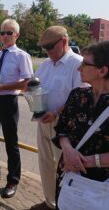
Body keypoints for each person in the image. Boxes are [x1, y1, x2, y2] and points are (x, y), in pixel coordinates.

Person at [30, 26, 86, 210]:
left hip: (65, 127)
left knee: (64, 169)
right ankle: (49, 202)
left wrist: (56, 112)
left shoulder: (78, 64)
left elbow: (81, 98)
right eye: (44, 48)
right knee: (45, 164)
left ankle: (63, 204)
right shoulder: (46, 64)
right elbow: (36, 86)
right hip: (44, 121)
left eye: (50, 47)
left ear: (64, 42)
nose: (47, 51)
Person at [53, 41, 109, 208]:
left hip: (101, 187)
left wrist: (86, 162)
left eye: (84, 64)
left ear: (103, 70)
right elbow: (62, 129)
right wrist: (68, 151)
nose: (79, 68)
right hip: (69, 176)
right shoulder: (78, 94)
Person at [0, 18, 33, 198]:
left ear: (17, 35)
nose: (5, 36)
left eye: (9, 33)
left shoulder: (22, 56)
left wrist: (3, 87)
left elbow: (27, 83)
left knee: (11, 141)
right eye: (2, 32)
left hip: (9, 101)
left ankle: (13, 179)